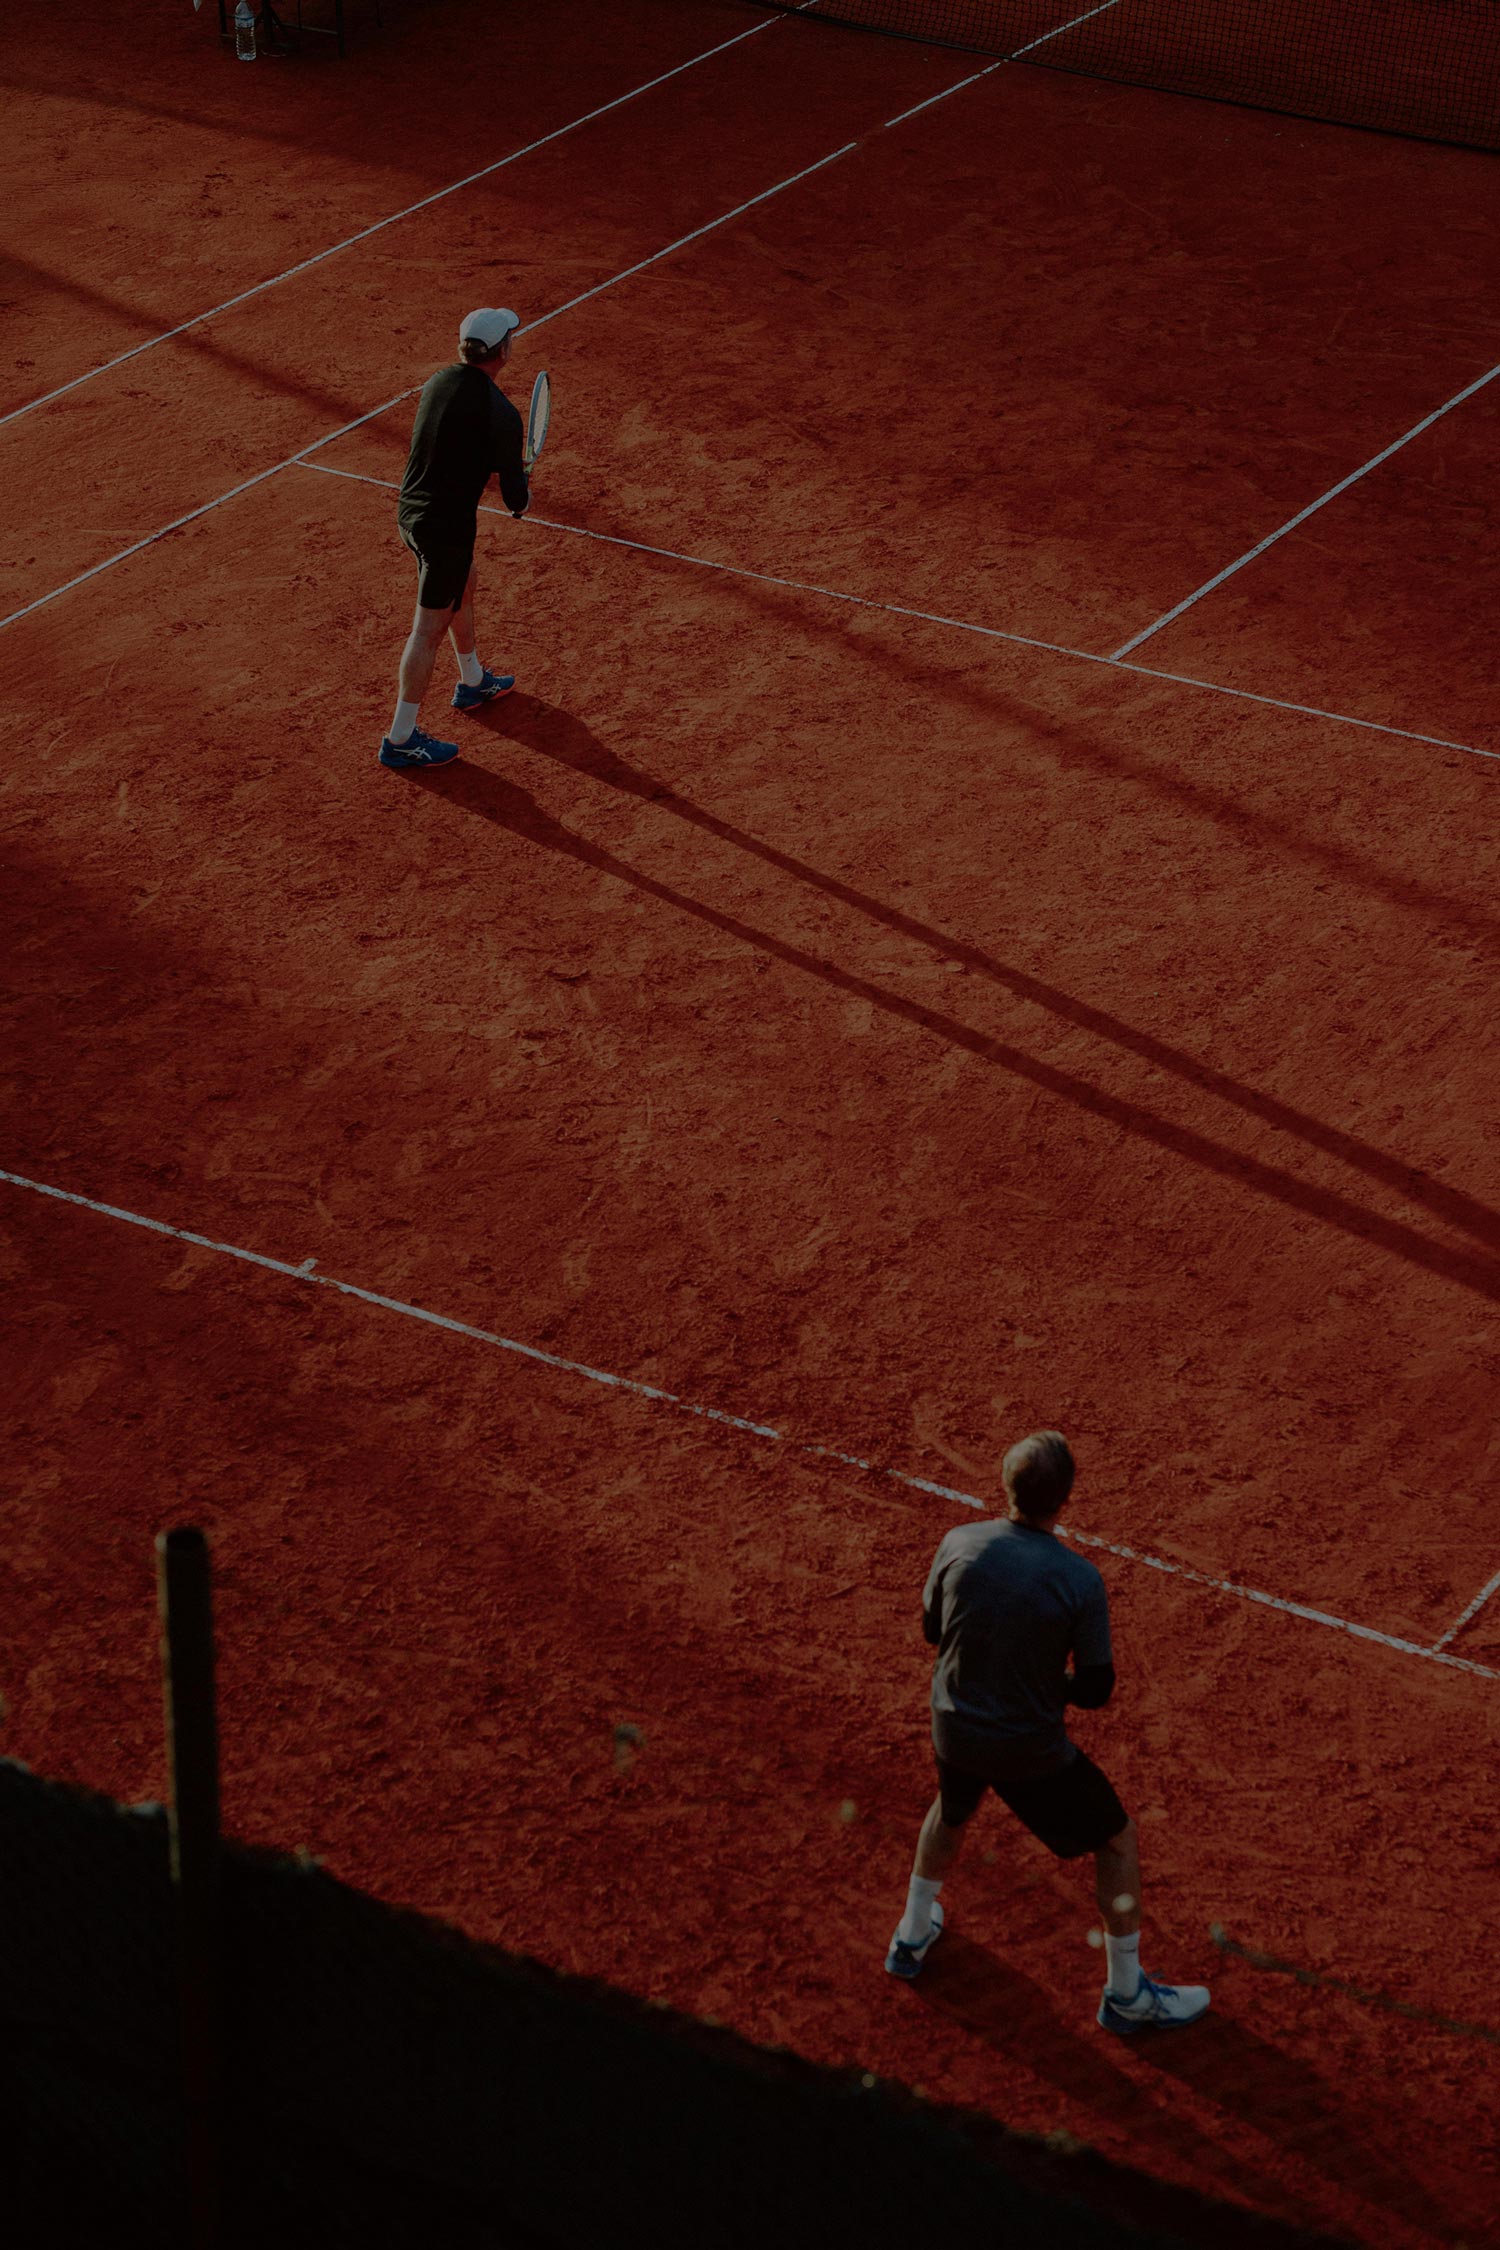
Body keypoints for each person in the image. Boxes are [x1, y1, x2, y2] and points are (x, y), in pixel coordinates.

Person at [886, 1430, 1209, 2035]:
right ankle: (1126, 1994)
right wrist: (1041, 1681)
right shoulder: (1078, 1580)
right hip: (1026, 1750)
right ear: (1065, 1498)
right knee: (1116, 1840)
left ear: (1006, 1487)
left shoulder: (957, 1543)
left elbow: (934, 1632)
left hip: (952, 1726)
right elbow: (1094, 1690)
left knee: (952, 1809)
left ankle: (910, 1934)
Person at [379, 306, 532, 771]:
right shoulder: (501, 414)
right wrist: (520, 469)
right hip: (445, 529)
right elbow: (516, 503)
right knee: (427, 630)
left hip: (410, 515)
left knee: (466, 579)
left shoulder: (438, 382)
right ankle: (401, 738)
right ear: (503, 350)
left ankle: (473, 680)